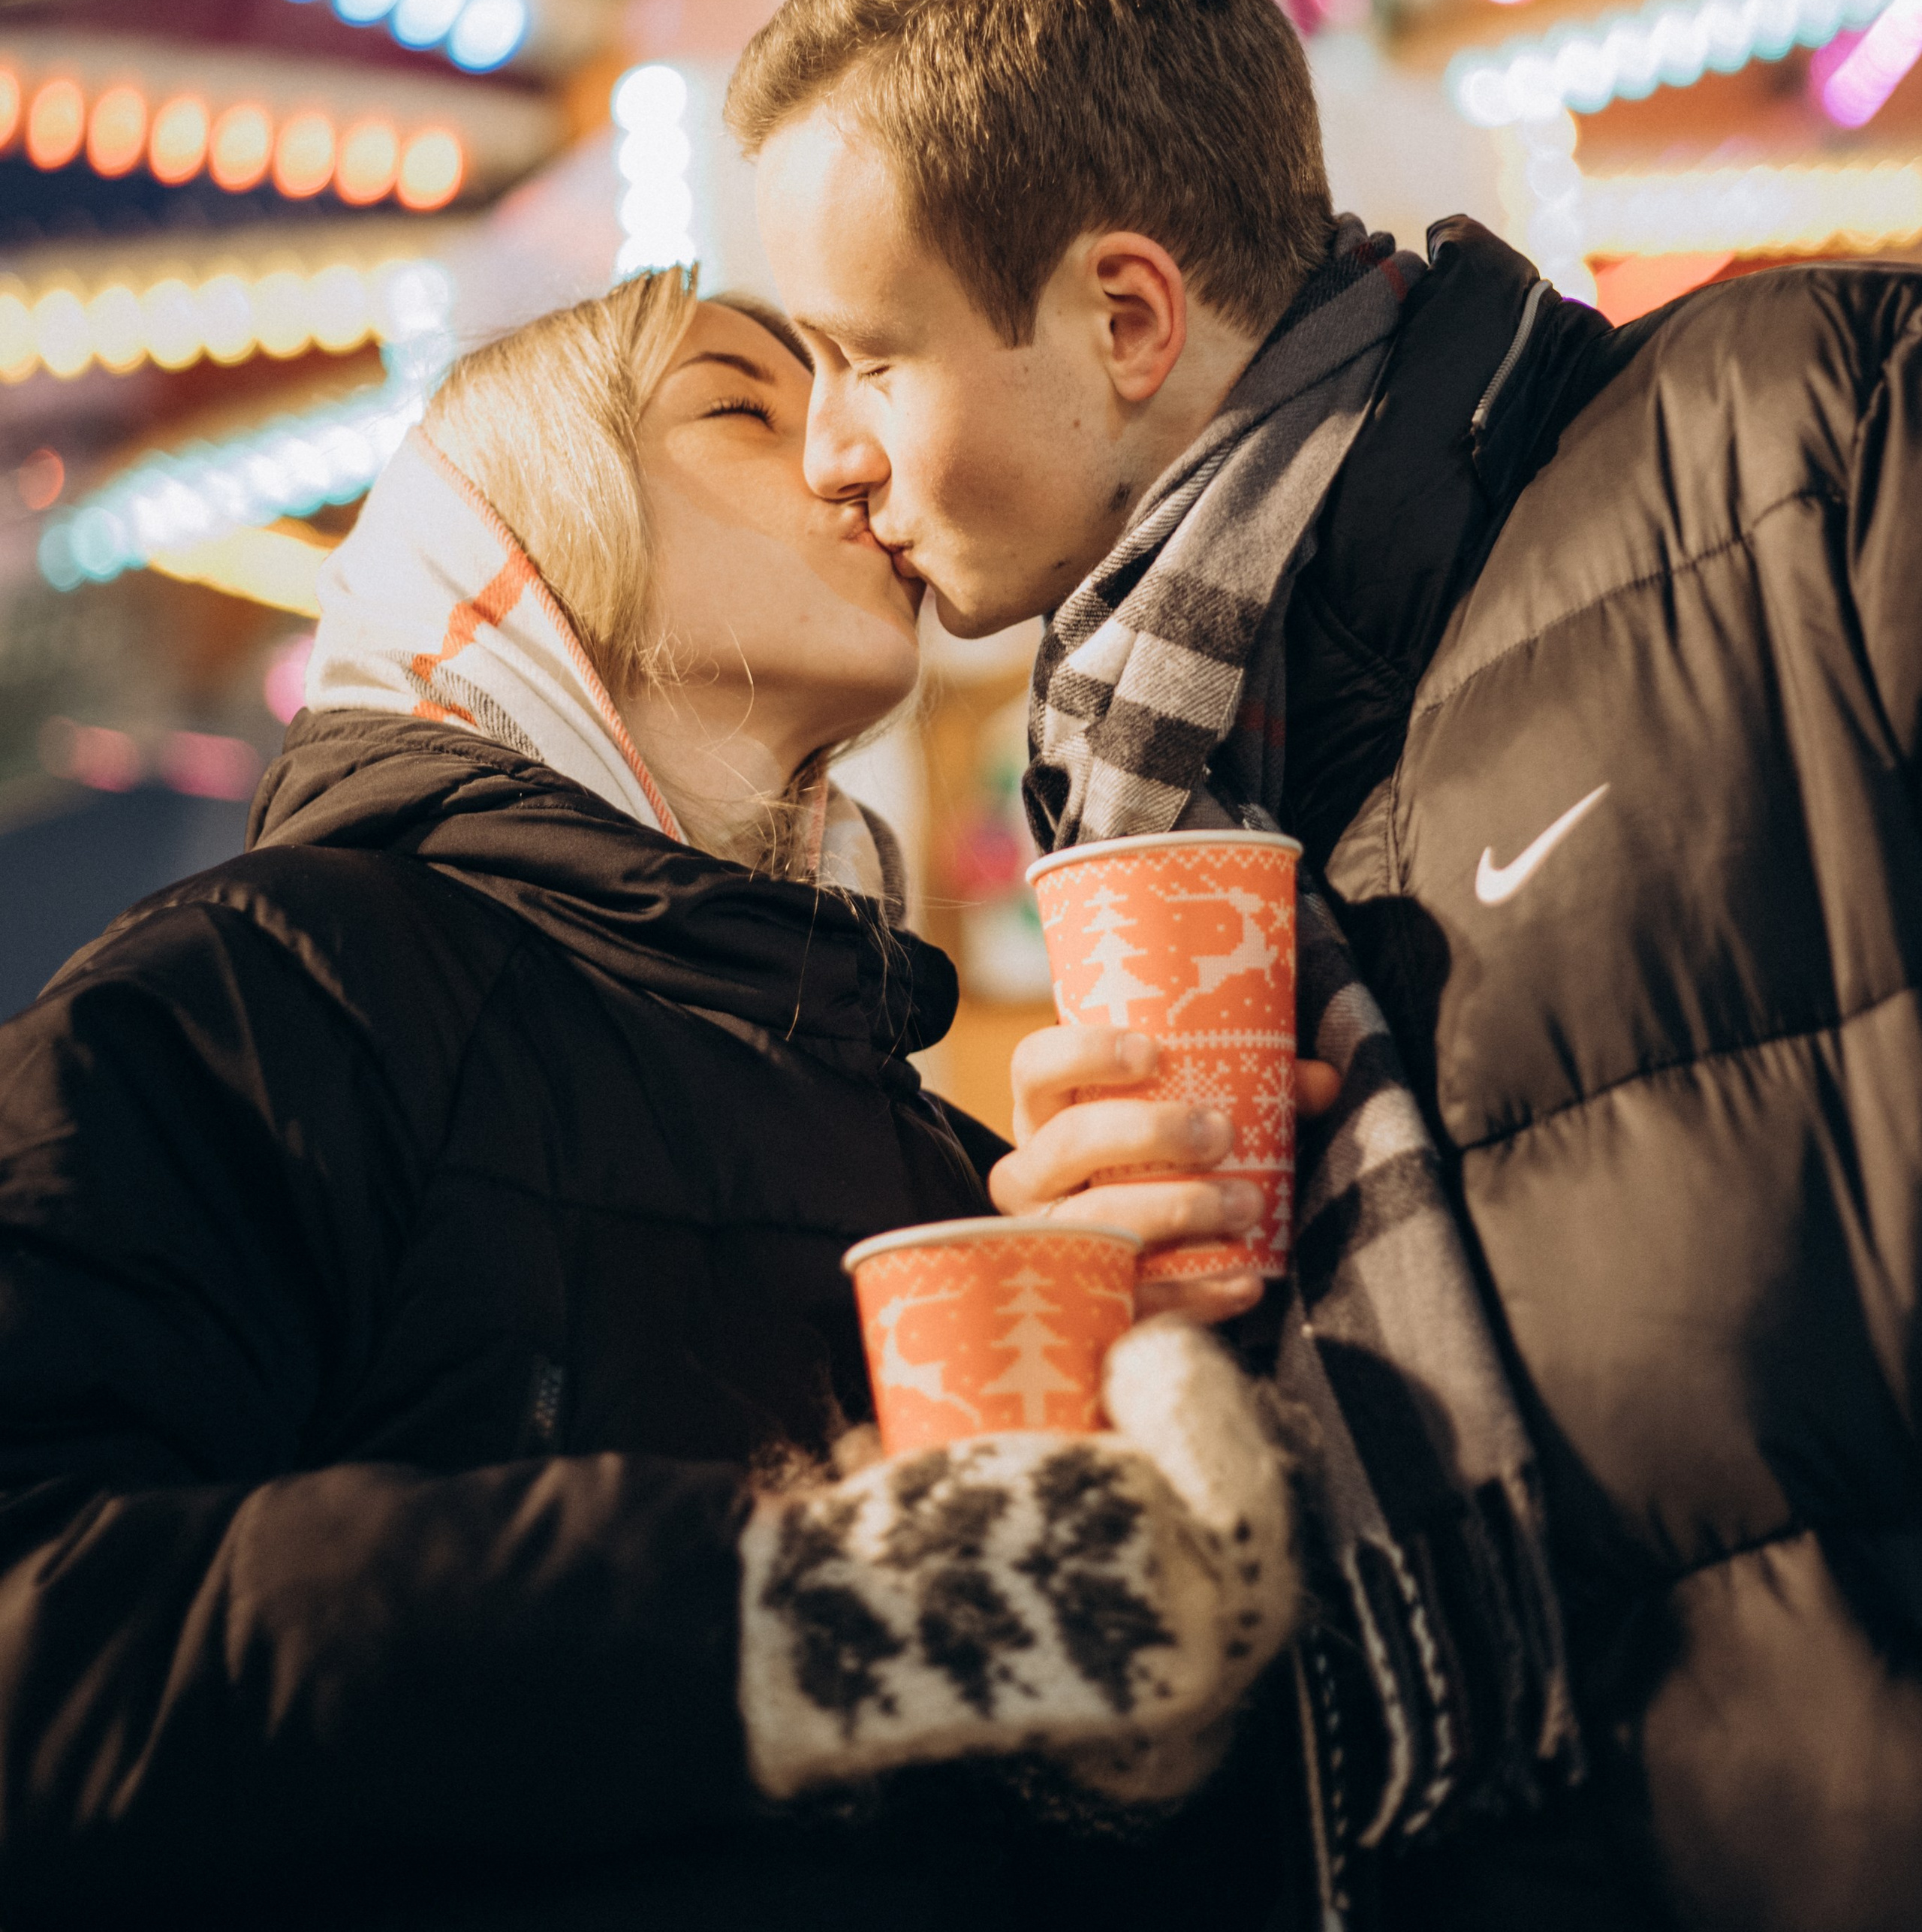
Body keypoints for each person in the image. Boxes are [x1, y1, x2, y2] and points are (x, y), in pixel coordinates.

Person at [730, 0, 1922, 1932]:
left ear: (1123, 317)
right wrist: (1166, 1331)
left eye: (862, 356)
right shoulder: (1171, 770)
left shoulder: (1801, 445)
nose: (827, 454)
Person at [0, 269, 1303, 1932]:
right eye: (741, 408)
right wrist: (796, 1613)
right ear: (525, 541)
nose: (848, 459)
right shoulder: (264, 998)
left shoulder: (923, 1144)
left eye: (848, 394)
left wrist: (1146, 1565)